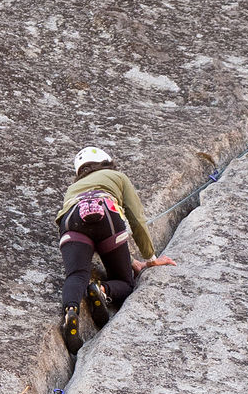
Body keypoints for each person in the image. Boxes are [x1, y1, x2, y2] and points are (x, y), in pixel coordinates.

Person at [56, 146, 176, 354]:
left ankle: (71, 311)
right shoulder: (116, 176)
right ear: (106, 161)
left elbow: (87, 229)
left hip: (72, 219)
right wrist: (150, 258)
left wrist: (130, 260)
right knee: (125, 283)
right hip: (107, 214)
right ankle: (102, 290)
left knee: (76, 275)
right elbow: (136, 218)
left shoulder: (71, 189)